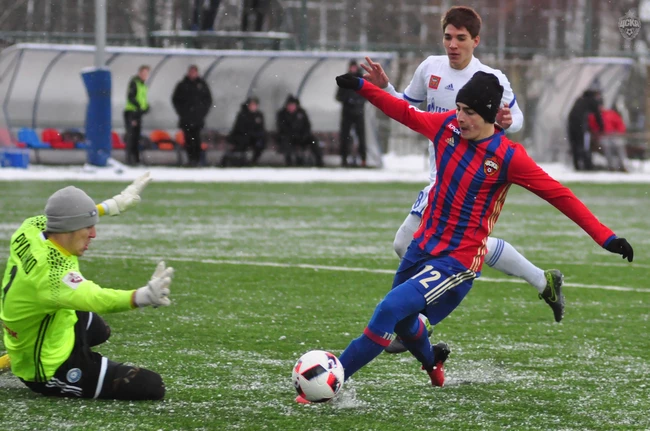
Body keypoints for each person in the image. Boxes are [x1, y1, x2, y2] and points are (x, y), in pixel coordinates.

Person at [297, 70, 636, 404]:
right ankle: (433, 363)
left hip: (458, 260)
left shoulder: (508, 157)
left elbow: (560, 196)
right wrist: (362, 87)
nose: (460, 117)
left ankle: (333, 380)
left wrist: (606, 238)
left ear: (489, 116)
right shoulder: (446, 127)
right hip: (423, 245)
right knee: (403, 323)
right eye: (459, 108)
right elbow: (403, 112)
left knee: (389, 309)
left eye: (469, 112)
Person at [360, 6, 564, 353]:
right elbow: (407, 109)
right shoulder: (429, 68)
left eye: (461, 38)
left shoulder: (489, 77)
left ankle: (418, 322)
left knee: (412, 243)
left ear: (475, 41)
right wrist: (386, 88)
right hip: (440, 177)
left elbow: (516, 118)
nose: (452, 44)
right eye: (448, 37)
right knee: (445, 247)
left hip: (471, 180)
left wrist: (506, 120)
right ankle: (541, 281)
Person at [0, 173, 177, 400]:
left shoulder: (31, 228)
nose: (93, 234)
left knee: (100, 330)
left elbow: (67, 215)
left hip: (40, 319)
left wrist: (112, 205)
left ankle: (19, 352)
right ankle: (23, 360)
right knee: (151, 385)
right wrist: (142, 296)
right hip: (48, 368)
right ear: (68, 229)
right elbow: (96, 298)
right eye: (88, 228)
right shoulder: (53, 274)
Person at [172, 65, 213, 167]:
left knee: (197, 139)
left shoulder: (202, 85)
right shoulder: (182, 85)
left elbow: (208, 100)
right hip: (186, 119)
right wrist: (182, 113)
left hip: (198, 119)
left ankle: (197, 159)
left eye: (194, 72)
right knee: (188, 140)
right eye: (191, 72)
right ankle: (191, 159)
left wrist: (202, 113)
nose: (193, 74)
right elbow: (175, 100)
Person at [276, 95, 323, 167]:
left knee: (313, 140)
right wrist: (293, 135)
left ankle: (319, 161)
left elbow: (307, 126)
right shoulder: (282, 114)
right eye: (289, 105)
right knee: (285, 141)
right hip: (288, 138)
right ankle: (289, 162)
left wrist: (304, 135)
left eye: (293, 105)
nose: (291, 107)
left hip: (302, 137)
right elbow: (282, 128)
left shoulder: (302, 113)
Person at [336, 60, 367, 167]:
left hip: (358, 113)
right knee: (345, 137)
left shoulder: (362, 80)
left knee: (361, 137)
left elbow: (368, 95)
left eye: (354, 67)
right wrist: (348, 100)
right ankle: (344, 159)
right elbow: (338, 96)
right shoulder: (344, 80)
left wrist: (358, 101)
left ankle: (363, 159)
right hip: (347, 113)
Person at [568, 89, 604, 171]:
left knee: (574, 144)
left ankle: (577, 165)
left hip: (571, 123)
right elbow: (597, 115)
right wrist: (601, 127)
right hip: (580, 124)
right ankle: (587, 165)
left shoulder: (579, 100)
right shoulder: (592, 100)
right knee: (583, 144)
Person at [224, 97, 266, 167]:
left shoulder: (259, 115)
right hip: (243, 137)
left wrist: (257, 135)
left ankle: (253, 161)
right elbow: (239, 128)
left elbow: (261, 128)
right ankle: (240, 161)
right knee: (241, 144)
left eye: (255, 105)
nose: (253, 107)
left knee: (260, 144)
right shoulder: (242, 115)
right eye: (252, 105)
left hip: (254, 138)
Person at [588, 103, 627, 172]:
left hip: (613, 135)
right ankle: (611, 166)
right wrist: (598, 133)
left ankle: (622, 165)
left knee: (619, 144)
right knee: (607, 146)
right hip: (603, 136)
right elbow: (593, 127)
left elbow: (620, 124)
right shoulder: (593, 116)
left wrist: (619, 132)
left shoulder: (611, 114)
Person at [123, 65, 150, 166]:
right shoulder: (134, 82)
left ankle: (136, 159)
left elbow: (142, 99)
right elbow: (131, 97)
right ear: (139, 73)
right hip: (132, 113)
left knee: (137, 137)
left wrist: (146, 107)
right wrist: (139, 107)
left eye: (146, 73)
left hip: (138, 114)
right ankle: (130, 159)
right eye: (143, 73)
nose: (144, 75)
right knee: (131, 137)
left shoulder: (143, 85)